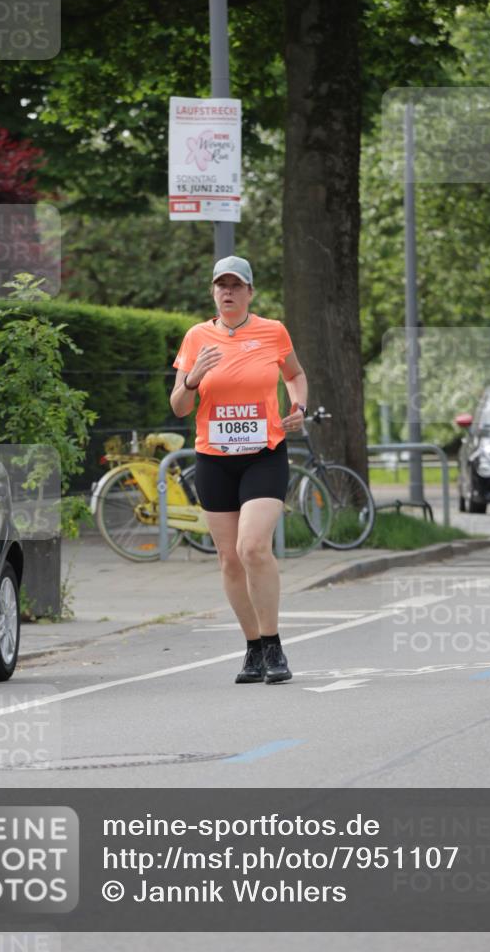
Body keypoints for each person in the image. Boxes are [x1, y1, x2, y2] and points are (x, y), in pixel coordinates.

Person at [170, 255, 308, 685]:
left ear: (250, 292)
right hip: (214, 458)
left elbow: (295, 374)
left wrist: (298, 406)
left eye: (236, 285)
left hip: (264, 453)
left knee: (252, 548)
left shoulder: (273, 331)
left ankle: (274, 645)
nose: (227, 291)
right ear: (213, 292)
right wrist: (192, 378)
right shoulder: (196, 337)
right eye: (220, 285)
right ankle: (252, 649)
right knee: (229, 559)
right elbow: (178, 407)